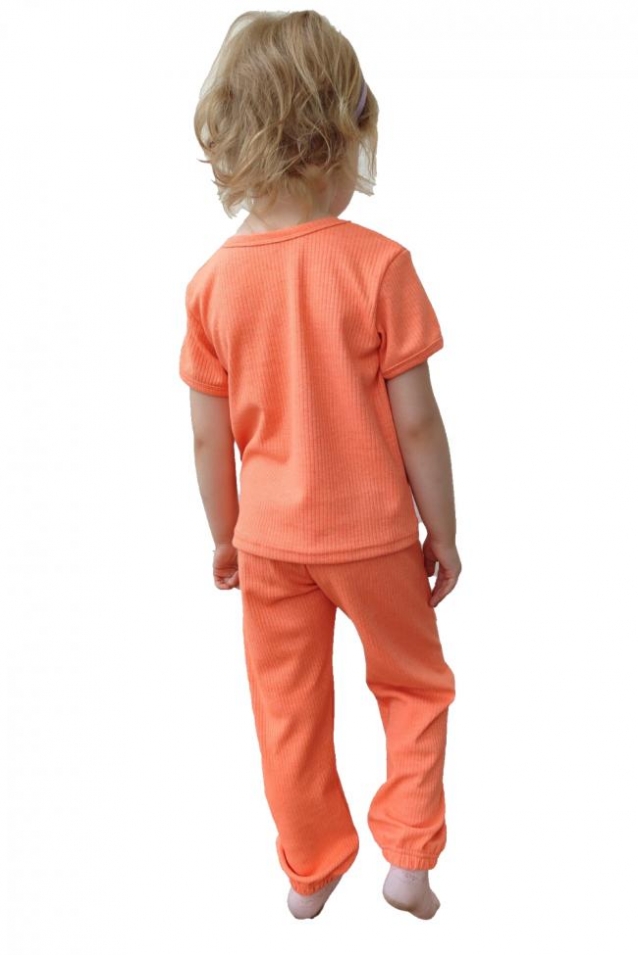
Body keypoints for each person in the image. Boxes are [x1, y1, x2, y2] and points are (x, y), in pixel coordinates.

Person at [178, 10, 461, 921]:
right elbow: (418, 422)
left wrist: (226, 537)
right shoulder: (380, 266)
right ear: (341, 135)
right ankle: (408, 858)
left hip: (269, 541)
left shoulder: (213, 285)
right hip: (374, 534)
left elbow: (207, 437)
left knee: (287, 708)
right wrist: (443, 530)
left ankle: (310, 868)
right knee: (413, 683)